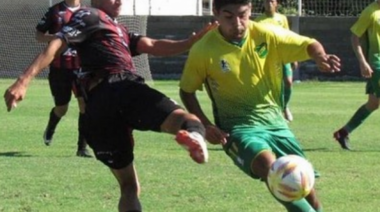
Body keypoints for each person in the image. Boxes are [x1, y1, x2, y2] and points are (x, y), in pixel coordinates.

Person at [4, 0, 216, 211]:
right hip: (121, 87)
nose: (120, 0)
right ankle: (194, 136)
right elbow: (57, 43)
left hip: (97, 109)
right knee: (186, 120)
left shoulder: (117, 28)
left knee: (129, 186)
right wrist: (24, 80)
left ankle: (192, 136)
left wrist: (189, 42)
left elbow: (152, 45)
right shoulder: (89, 15)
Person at [179, 0, 340, 211]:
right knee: (273, 170)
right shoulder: (203, 49)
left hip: (276, 123)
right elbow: (187, 90)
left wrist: (320, 57)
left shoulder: (267, 35)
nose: (237, 23)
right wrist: (206, 125)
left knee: (303, 184)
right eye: (228, 17)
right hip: (238, 129)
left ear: (251, 10)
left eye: (243, 15)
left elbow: (309, 44)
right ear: (216, 13)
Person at [35, 0, 91, 157]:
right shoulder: (54, 11)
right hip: (59, 69)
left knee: (84, 105)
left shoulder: (88, 13)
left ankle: (82, 148)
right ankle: (51, 128)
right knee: (62, 108)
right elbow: (39, 35)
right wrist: (58, 38)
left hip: (82, 68)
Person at [333, 0, 380, 150]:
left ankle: (343, 132)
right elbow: (355, 37)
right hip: (377, 63)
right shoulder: (370, 11)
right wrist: (363, 62)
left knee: (373, 103)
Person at [254, 0, 297, 122]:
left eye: (271, 1)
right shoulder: (258, 21)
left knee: (288, 81)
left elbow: (288, 38)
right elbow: (255, 42)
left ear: (276, 4)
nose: (268, 3)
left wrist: (293, 56)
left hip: (282, 55)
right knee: (270, 85)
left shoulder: (282, 19)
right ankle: (270, 110)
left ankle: (284, 107)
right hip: (266, 57)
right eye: (266, 1)